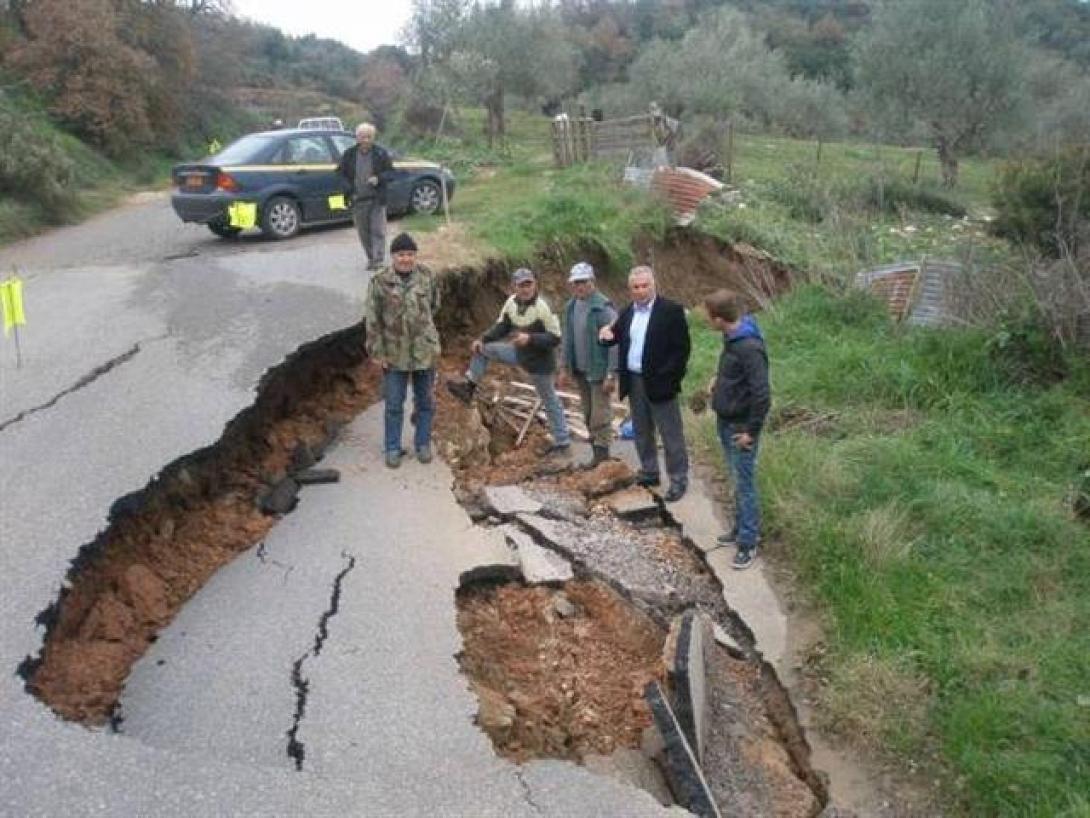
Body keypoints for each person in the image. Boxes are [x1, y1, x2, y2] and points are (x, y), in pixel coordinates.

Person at [446, 268, 571, 454]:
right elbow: (501, 327)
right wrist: (482, 338)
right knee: (484, 349)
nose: (525, 289)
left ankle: (562, 442)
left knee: (549, 399)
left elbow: (555, 338)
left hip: (539, 361)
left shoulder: (543, 307)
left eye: (529, 284)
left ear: (535, 284)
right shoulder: (511, 304)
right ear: (514, 287)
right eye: (521, 285)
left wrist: (530, 339)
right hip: (518, 353)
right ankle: (469, 386)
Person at [599, 266, 690, 501]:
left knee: (671, 435)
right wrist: (605, 335)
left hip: (661, 383)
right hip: (634, 380)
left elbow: (681, 351)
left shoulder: (671, 311)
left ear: (653, 285)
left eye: (644, 286)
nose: (640, 291)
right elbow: (615, 337)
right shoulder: (628, 311)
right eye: (635, 287)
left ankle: (678, 479)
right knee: (642, 431)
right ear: (630, 289)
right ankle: (650, 471)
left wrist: (668, 378)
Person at [704, 288, 770, 570]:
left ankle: (748, 541)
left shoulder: (749, 347)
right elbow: (735, 373)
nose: (707, 321)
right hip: (726, 420)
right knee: (735, 477)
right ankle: (739, 528)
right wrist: (719, 380)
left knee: (744, 484)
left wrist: (751, 433)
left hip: (740, 426)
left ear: (719, 318)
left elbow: (762, 394)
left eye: (709, 317)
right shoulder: (732, 337)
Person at [363, 233, 441, 469]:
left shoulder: (427, 277)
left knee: (425, 402)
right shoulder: (379, 282)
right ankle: (392, 448)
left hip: (424, 352)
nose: (405, 259)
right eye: (401, 254)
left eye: (409, 254)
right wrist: (378, 353)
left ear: (415, 256)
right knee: (394, 404)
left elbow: (435, 306)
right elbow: (372, 320)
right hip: (394, 354)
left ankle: (423, 444)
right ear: (393, 257)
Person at [561, 262, 618, 467]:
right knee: (587, 412)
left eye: (583, 282)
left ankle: (603, 458)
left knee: (599, 415)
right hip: (580, 369)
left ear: (592, 282)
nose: (579, 287)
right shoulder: (571, 307)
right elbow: (568, 338)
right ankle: (597, 455)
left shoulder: (602, 308)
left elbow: (615, 342)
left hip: (599, 370)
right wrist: (564, 366)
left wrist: (611, 374)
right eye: (576, 283)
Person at [336, 122, 395, 271]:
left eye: (369, 137)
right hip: (357, 200)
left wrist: (379, 178)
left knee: (378, 230)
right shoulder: (349, 154)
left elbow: (391, 173)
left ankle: (378, 259)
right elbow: (340, 174)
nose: (366, 140)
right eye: (362, 137)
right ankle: (371, 258)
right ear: (357, 138)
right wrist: (348, 187)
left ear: (373, 137)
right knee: (364, 232)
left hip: (376, 199)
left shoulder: (380, 153)